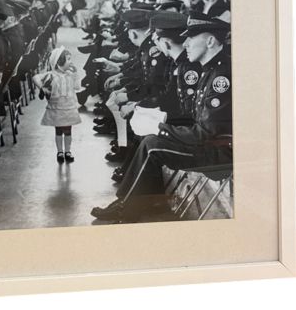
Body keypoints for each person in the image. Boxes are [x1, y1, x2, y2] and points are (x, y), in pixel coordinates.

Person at [91, 12, 231, 223]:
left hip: (218, 151)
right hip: (206, 141)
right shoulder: (210, 69)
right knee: (149, 139)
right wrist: (158, 118)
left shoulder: (221, 77)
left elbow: (206, 132)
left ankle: (128, 207)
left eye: (191, 38)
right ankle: (137, 202)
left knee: (153, 145)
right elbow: (193, 116)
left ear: (210, 41)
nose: (186, 44)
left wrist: (161, 127)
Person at [33, 47, 82, 163]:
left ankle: (68, 151)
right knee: (59, 131)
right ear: (59, 62)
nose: (71, 62)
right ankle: (60, 151)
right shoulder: (51, 75)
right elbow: (35, 77)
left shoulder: (70, 74)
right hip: (57, 108)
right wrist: (43, 88)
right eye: (68, 59)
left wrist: (75, 73)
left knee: (68, 131)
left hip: (68, 108)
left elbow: (77, 86)